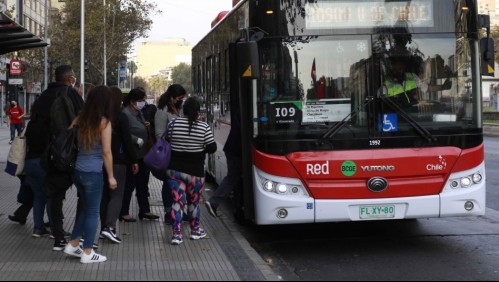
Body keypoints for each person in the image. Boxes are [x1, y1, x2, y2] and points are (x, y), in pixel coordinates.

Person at [63, 86, 117, 264]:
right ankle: (87, 252)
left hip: (77, 171)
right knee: (93, 212)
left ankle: (73, 243)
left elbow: (68, 137)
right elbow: (106, 152)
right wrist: (110, 176)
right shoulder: (104, 122)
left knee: (86, 208)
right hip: (93, 173)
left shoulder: (80, 118)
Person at [37, 65, 85, 251]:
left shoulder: (44, 96)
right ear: (70, 78)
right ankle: (77, 237)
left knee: (55, 197)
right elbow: (83, 119)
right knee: (84, 194)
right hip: (72, 152)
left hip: (51, 154)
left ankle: (58, 237)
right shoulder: (71, 94)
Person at [165, 97, 217, 245]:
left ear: (183, 110)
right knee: (193, 202)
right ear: (197, 111)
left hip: (175, 171)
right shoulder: (203, 127)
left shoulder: (173, 124)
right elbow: (212, 148)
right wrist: (200, 148)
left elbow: (167, 140)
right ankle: (195, 231)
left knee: (177, 202)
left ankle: (177, 235)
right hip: (196, 172)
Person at [100, 87, 139, 244]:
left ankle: (104, 226)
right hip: (118, 162)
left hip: (100, 162)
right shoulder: (120, 117)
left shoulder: (100, 116)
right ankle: (109, 227)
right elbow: (127, 141)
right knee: (117, 195)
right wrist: (134, 160)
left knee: (105, 196)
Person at [120, 87, 159, 222]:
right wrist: (136, 139)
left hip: (143, 154)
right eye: (141, 100)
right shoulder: (125, 113)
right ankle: (124, 211)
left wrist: (146, 126)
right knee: (130, 184)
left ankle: (145, 210)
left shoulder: (138, 113)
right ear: (132, 101)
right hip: (132, 155)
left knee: (143, 184)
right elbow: (123, 133)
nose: (143, 102)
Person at [154, 84, 186, 224]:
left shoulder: (179, 110)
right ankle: (168, 212)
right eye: (179, 98)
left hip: (180, 152)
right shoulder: (162, 111)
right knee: (168, 182)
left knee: (178, 182)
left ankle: (179, 209)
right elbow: (159, 135)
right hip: (169, 152)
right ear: (172, 97)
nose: (181, 100)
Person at [205, 109, 242, 217]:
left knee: (232, 177)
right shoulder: (248, 108)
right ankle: (213, 202)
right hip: (236, 151)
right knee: (232, 177)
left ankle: (214, 203)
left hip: (232, 149)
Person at [24, 99, 52, 238]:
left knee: (38, 196)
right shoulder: (48, 125)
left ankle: (38, 228)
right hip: (42, 163)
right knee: (50, 196)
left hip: (29, 163)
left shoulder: (31, 124)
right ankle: (54, 227)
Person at [380, 56, 451, 109]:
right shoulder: (385, 85)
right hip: (398, 115)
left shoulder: (412, 77)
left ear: (404, 68)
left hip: (413, 114)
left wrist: (443, 87)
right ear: (391, 70)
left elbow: (427, 88)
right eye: (395, 69)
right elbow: (384, 105)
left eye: (400, 69)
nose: (398, 71)